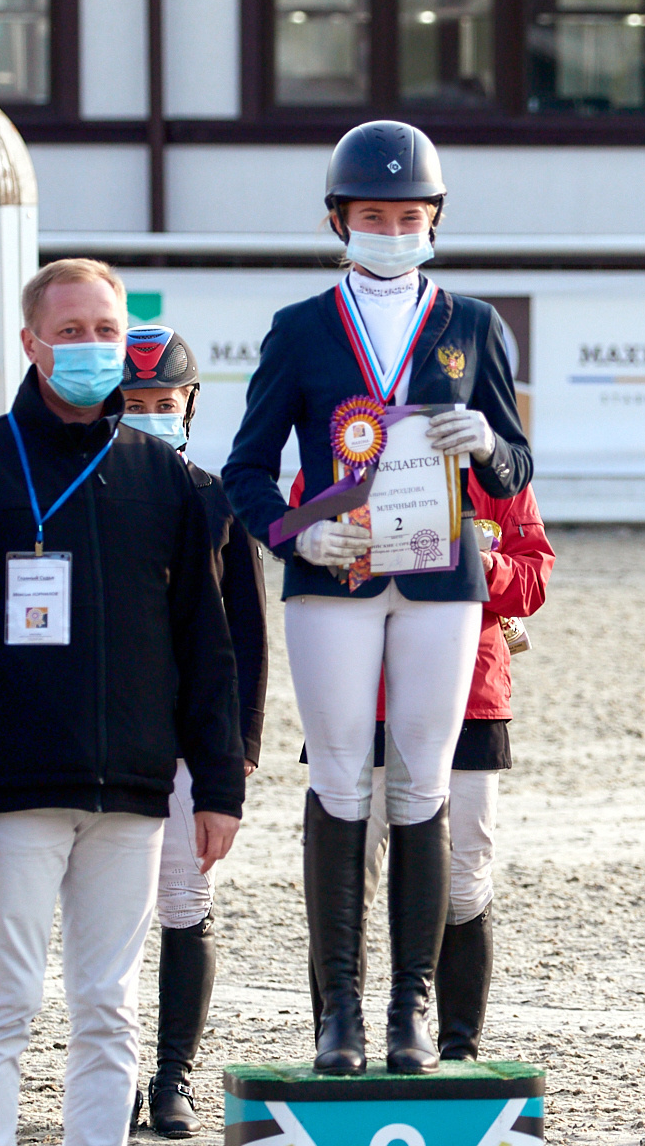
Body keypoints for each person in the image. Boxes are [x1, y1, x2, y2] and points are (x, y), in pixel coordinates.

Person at [0, 260, 246, 1146]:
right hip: (13, 786)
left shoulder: (167, 481)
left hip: (132, 790)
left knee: (109, 1011)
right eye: (71, 326)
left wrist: (217, 783)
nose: (91, 342)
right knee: (4, 1005)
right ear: (28, 341)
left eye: (107, 326)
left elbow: (207, 646)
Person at [223, 121, 531, 1078]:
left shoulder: (473, 326)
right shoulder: (300, 329)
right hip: (335, 575)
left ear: (433, 220)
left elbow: (519, 465)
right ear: (339, 222)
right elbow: (243, 474)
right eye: (373, 217)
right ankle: (339, 1010)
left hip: (442, 581)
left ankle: (410, 1008)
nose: (392, 230)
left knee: (424, 787)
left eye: (409, 216)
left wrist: (484, 443)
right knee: (340, 782)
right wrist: (295, 530)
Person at [117, 326, 268, 1138]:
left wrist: (237, 749)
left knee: (184, 903)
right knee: (113, 917)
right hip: (107, 736)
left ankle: (172, 1075)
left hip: (188, 742)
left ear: (189, 407)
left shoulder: (217, 500)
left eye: (161, 404)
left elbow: (246, 632)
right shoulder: (85, 498)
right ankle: (120, 1071)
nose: (147, 416)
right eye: (132, 405)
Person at [359, 473, 553, 1059]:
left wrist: (476, 561)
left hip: (472, 696)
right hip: (365, 697)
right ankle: (339, 1037)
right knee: (351, 877)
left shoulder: (497, 469)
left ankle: (459, 1050)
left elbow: (534, 582)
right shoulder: (357, 444)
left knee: (465, 881)